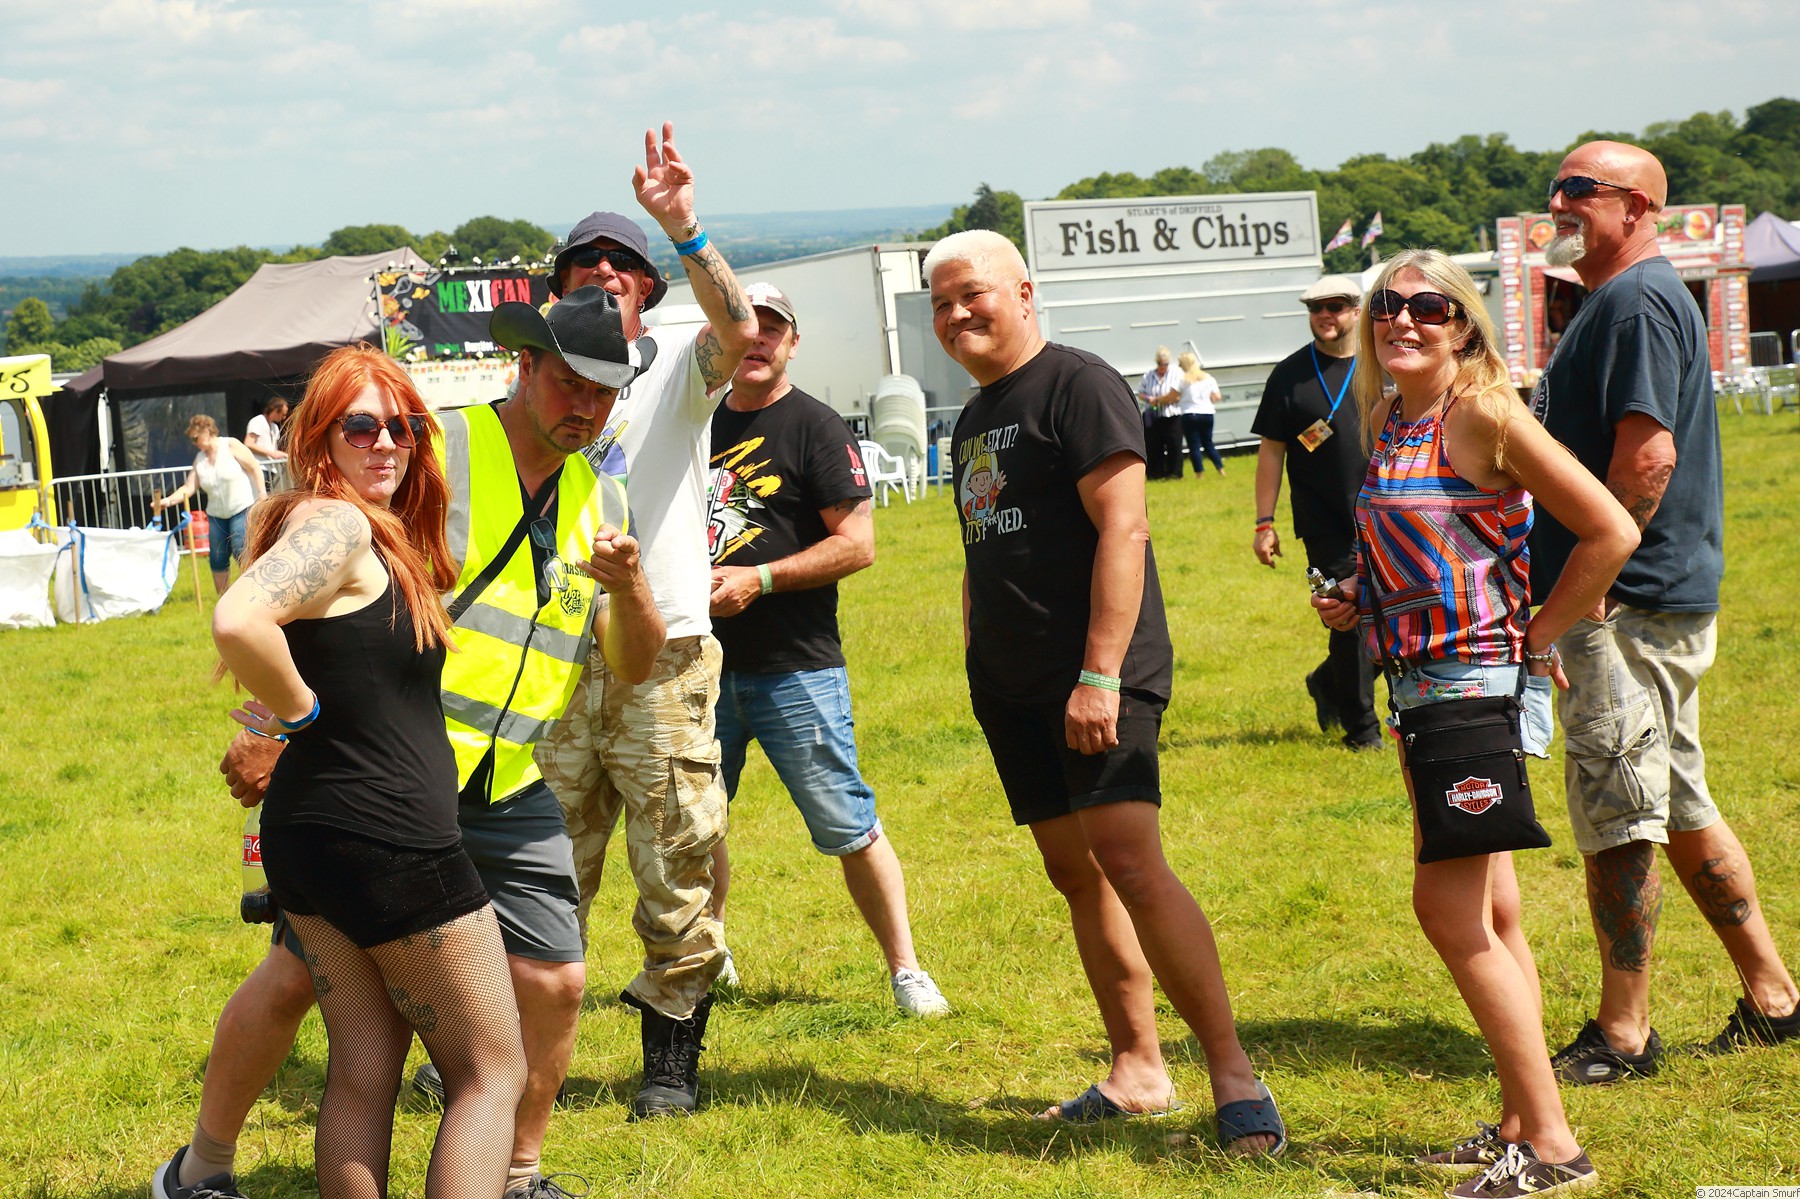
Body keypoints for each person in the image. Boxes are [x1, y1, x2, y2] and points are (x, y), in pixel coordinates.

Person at [153, 288, 664, 1199]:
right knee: (440, 1048)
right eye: (569, 381)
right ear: (524, 366)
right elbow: (280, 609)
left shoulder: (604, 495)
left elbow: (630, 660)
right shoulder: (440, 449)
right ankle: (204, 1165)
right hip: (395, 799)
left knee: (413, 1037)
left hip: (498, 781)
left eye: (605, 390)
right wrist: (284, 722)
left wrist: (629, 587)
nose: (387, 442)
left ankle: (518, 1174)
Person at [928, 229, 1284, 1155]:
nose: (956, 314)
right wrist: (976, 648)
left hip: (1094, 674)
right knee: (1074, 872)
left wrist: (1098, 676)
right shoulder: (972, 418)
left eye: (971, 294)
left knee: (1129, 860)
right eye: (940, 303)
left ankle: (1234, 1075)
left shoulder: (1078, 383)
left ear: (1023, 292)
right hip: (1010, 684)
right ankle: (1138, 1068)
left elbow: (1126, 529)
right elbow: (980, 544)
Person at [1314, 249, 1637, 1197]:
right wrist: (1360, 594)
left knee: (1446, 910)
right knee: (1494, 913)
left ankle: (1553, 1145)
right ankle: (1518, 1121)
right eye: (1388, 303)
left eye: (1428, 305)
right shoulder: (1390, 416)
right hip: (1422, 684)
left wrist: (1538, 632)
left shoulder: (1487, 412)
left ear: (1463, 324)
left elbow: (1611, 528)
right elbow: (1437, 541)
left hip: (1471, 687)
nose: (1402, 318)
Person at [206, 344, 527, 1199]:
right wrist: (300, 714)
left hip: (315, 839)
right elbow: (238, 620)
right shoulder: (339, 526)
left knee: (364, 1062)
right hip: (391, 844)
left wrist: (292, 716)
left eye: (405, 426)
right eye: (361, 426)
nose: (387, 442)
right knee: (491, 1070)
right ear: (319, 437)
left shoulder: (336, 525)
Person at [1530, 141, 1800, 1083]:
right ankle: (1775, 997)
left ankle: (1624, 1032)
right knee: (1678, 800)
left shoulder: (1636, 301)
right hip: (1647, 595)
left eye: (1579, 189)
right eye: (1556, 187)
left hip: (1627, 603)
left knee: (1621, 810)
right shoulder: (1618, 299)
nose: (1558, 203)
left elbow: (1647, 459)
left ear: (1637, 207)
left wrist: (1592, 580)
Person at [534, 121, 758, 1119]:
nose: (605, 274)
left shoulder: (675, 365)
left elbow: (738, 331)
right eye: (584, 266)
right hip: (551, 656)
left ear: (646, 291)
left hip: (664, 653)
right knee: (541, 866)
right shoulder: (533, 378)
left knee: (675, 856)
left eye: (623, 266)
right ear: (557, 291)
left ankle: (669, 1059)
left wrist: (683, 226)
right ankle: (498, 1053)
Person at [702, 282, 950, 1017]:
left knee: (847, 822)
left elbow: (858, 543)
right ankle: (708, 954)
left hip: (796, 667)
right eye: (743, 324)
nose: (756, 339)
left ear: (793, 341)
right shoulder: (696, 421)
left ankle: (906, 971)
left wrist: (761, 579)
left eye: (771, 328)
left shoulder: (815, 426)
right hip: (699, 664)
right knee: (696, 821)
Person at [1250, 275, 1380, 750]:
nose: (1325, 315)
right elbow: (1271, 452)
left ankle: (1327, 681)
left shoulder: (1382, 364)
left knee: (1392, 614)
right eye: (1316, 307)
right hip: (1325, 524)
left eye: (1336, 306)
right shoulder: (1289, 375)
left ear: (1355, 311)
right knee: (1350, 620)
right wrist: (1264, 523)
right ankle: (1362, 731)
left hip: (1386, 517)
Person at [153, 414, 267, 597]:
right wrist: (167, 501)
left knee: (242, 551)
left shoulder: (231, 445)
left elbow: (254, 468)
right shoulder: (200, 459)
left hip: (241, 508)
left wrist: (262, 495)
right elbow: (189, 487)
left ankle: (253, 596)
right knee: (217, 558)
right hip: (216, 515)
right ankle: (224, 600)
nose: (194, 443)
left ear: (207, 431)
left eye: (195, 438)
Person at [1136, 346, 1184, 479]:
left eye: (1165, 364)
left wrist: (1161, 399)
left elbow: (1179, 393)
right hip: (1153, 415)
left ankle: (1174, 473)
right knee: (1153, 445)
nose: (1162, 367)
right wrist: (1149, 399)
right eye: (1160, 364)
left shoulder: (1177, 373)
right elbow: (1140, 393)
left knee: (1174, 445)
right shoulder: (1149, 375)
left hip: (1172, 414)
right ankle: (1155, 473)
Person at [1175, 351, 1224, 477]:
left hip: (1189, 414)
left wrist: (1159, 400)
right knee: (1208, 443)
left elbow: (1173, 395)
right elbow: (1217, 396)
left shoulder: (1183, 380)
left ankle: (1199, 474)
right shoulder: (1208, 378)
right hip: (1207, 413)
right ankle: (1220, 469)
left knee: (1194, 446)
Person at [244, 397, 289, 464]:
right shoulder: (257, 421)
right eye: (283, 414)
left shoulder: (274, 427)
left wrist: (287, 456)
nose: (284, 417)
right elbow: (249, 444)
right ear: (276, 410)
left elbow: (272, 450)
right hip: (258, 465)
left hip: (270, 466)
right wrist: (271, 454)